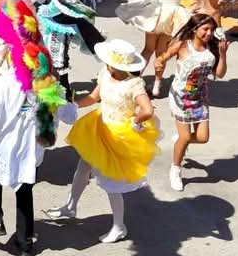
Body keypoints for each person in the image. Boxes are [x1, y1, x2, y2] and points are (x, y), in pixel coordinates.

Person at [45, 39, 158, 244]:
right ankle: (71, 207)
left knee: (111, 184)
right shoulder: (105, 74)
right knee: (82, 168)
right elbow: (94, 97)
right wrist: (73, 105)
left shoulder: (134, 84)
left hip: (117, 136)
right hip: (99, 129)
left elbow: (148, 110)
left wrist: (136, 120)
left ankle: (119, 226)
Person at [0, 43, 41, 256]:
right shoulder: (46, 83)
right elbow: (64, 113)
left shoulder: (5, 81)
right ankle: (25, 241)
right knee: (25, 190)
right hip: (31, 149)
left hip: (6, 144)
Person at [153, 14, 227, 191]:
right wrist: (159, 65)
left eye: (211, 30)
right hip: (180, 98)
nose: (209, 33)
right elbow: (162, 57)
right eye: (205, 29)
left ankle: (180, 141)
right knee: (186, 137)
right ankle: (175, 170)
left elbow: (220, 74)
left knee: (203, 138)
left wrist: (223, 54)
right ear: (195, 29)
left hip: (200, 99)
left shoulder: (212, 50)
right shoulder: (182, 46)